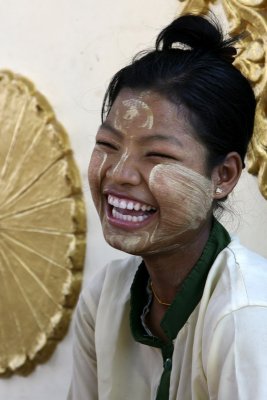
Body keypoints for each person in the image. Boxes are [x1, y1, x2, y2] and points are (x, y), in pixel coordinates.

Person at [67, 13, 267, 400]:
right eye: (107, 145)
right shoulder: (105, 297)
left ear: (223, 176)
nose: (120, 173)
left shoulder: (247, 315)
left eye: (157, 154)